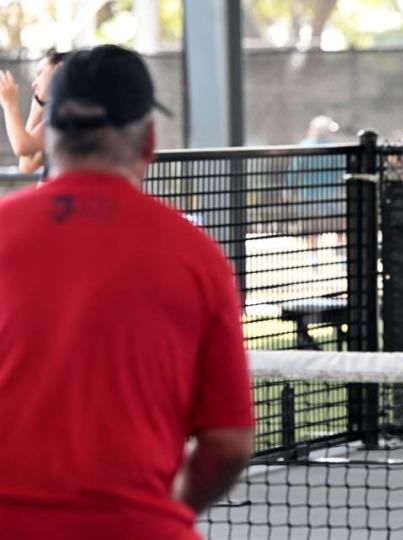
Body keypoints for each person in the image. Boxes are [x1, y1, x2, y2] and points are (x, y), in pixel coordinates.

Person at [0, 45, 254, 539]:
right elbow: (228, 444)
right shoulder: (197, 257)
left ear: (50, 133)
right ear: (149, 139)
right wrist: (154, 509)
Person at [0, 48, 68, 174]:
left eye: (40, 73)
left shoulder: (70, 116)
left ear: (59, 69)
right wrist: (36, 109)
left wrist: (9, 105)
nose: (34, 84)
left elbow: (22, 147)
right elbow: (27, 165)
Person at [290, 114, 345, 266]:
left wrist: (290, 188)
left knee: (317, 227)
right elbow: (341, 170)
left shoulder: (305, 145)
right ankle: (338, 257)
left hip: (315, 194)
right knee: (335, 226)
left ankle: (316, 257)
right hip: (327, 194)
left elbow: (295, 171)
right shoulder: (332, 147)